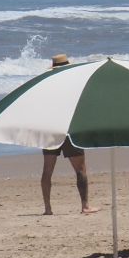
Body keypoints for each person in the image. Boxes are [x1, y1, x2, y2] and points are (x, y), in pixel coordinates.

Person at [40, 54, 98, 216]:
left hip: (50, 129)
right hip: (69, 129)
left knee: (47, 170)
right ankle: (85, 206)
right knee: (80, 169)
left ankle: (48, 208)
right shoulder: (72, 85)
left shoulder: (46, 86)